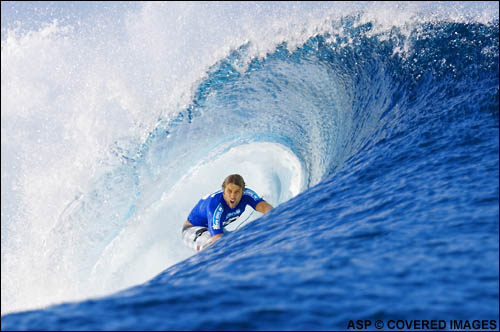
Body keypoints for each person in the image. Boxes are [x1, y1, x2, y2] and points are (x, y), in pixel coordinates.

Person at [182, 174, 273, 251]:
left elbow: (264, 206)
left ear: (242, 191)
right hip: (192, 229)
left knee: (240, 242)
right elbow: (217, 239)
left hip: (212, 228)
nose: (233, 196)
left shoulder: (247, 195)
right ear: (224, 191)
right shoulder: (216, 205)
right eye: (229, 191)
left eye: (237, 192)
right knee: (215, 247)